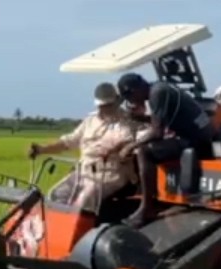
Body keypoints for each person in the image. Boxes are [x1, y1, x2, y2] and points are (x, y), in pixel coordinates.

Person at [115, 73, 218, 227]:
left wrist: (131, 146)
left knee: (145, 151)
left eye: (129, 97)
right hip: (198, 136)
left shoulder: (158, 94)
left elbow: (157, 133)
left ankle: (147, 208)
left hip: (196, 141)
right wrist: (140, 119)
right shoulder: (160, 88)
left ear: (135, 90)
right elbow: (161, 122)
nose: (131, 102)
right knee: (148, 147)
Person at [29, 82, 140, 216]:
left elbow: (130, 144)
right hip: (83, 171)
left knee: (84, 201)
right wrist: (42, 149)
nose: (105, 109)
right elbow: (69, 141)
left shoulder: (127, 122)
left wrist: (117, 149)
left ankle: (78, 234)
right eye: (102, 106)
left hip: (110, 174)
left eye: (108, 105)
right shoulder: (90, 120)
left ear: (117, 102)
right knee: (56, 195)